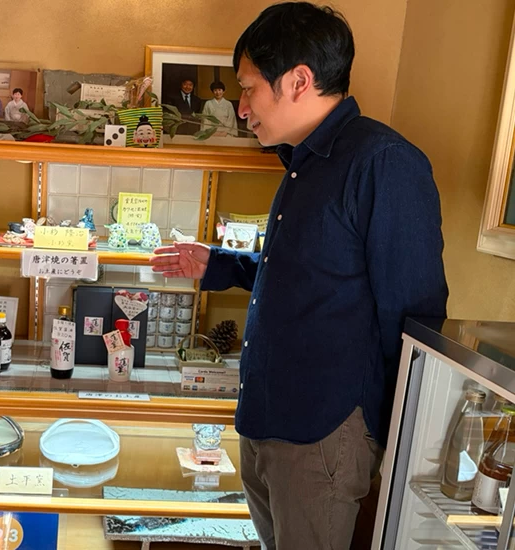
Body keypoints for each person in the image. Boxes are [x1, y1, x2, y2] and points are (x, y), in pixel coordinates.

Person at [150, 3, 448, 549]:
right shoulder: (302, 160)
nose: (242, 108)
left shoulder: (383, 162)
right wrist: (218, 263)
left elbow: (414, 316)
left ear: (298, 81)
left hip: (323, 429)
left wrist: (389, 436)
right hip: (268, 413)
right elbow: (308, 275)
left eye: (248, 89)